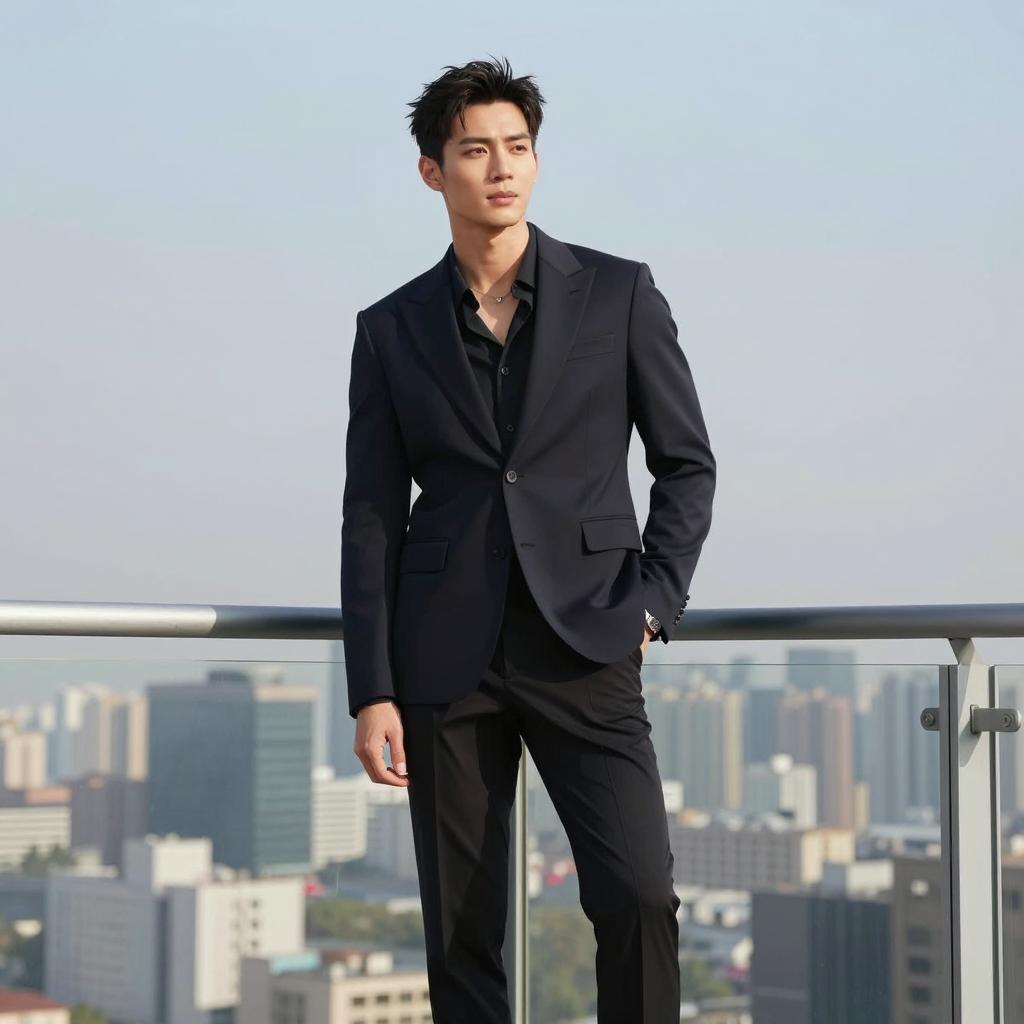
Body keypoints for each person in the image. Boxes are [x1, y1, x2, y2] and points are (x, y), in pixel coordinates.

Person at [340, 55, 716, 1024]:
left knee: (637, 892)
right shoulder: (390, 329)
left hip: (590, 639)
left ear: (535, 161)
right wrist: (373, 686)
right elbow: (372, 512)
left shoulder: (619, 294)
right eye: (475, 150)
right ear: (434, 171)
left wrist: (652, 602)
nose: (501, 167)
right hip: (443, 658)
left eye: (517, 147)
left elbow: (686, 464)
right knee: (461, 930)